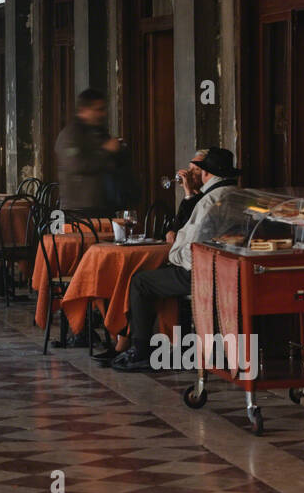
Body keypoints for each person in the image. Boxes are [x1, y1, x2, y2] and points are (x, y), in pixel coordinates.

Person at [110, 147, 242, 372]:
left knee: (140, 282)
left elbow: (193, 249)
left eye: (197, 170)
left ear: (206, 173)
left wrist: (174, 254)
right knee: (154, 276)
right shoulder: (237, 195)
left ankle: (141, 349)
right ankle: (167, 342)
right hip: (229, 269)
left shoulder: (210, 202)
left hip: (202, 272)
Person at [54, 88, 126, 215]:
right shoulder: (70, 135)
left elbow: (111, 164)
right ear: (83, 110)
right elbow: (77, 165)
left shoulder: (99, 132)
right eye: (98, 110)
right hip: (80, 210)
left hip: (104, 206)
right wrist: (106, 150)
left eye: (103, 109)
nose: (102, 114)